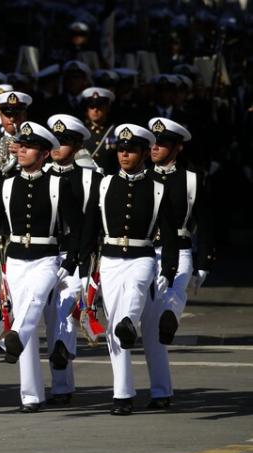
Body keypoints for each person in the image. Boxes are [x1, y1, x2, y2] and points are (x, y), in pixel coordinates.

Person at [0, 121, 82, 413]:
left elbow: (76, 229)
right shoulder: (7, 184)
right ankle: (30, 395)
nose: (22, 150)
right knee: (22, 315)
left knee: (35, 302)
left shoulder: (57, 184)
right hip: (14, 259)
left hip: (46, 258)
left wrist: (70, 262)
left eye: (29, 147)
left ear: (43, 154)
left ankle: (12, 340)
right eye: (21, 146)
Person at [94, 124, 178, 416]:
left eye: (130, 150)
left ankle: (129, 322)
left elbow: (169, 236)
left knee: (136, 292)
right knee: (115, 327)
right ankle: (123, 394)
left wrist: (168, 269)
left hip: (144, 255)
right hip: (111, 258)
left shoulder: (158, 189)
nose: (124, 154)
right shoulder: (104, 184)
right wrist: (84, 266)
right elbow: (92, 228)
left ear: (144, 153)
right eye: (121, 149)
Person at [142, 117, 214, 409]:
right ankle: (160, 391)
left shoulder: (193, 179)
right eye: (153, 143)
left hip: (181, 248)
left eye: (162, 144)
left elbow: (206, 221)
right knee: (150, 328)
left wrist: (204, 260)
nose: (155, 148)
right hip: (146, 252)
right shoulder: (141, 176)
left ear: (178, 147)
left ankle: (160, 392)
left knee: (173, 294)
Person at [43, 113, 100, 405]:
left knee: (65, 309)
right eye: (53, 140)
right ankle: (61, 384)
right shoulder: (40, 174)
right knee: (52, 317)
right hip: (45, 255)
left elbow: (93, 222)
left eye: (63, 141)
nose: (56, 147)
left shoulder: (91, 177)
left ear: (77, 145)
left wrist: (84, 257)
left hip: (78, 255)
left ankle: (63, 365)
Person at [0, 91, 32, 176]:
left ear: (25, 115)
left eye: (17, 115)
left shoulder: (34, 142)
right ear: (0, 116)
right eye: (7, 115)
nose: (12, 119)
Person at [81, 87, 118, 174]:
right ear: (87, 109)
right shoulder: (81, 131)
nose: (95, 110)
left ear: (108, 108)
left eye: (99, 106)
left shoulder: (115, 131)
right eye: (92, 106)